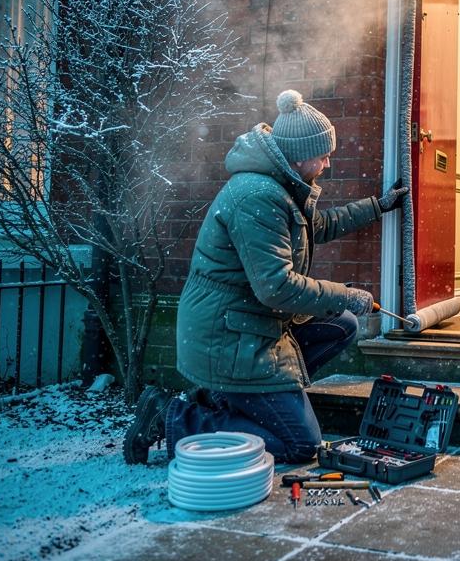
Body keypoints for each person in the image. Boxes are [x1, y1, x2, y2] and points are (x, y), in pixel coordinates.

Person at [123, 89, 408, 465]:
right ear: (301, 155)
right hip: (228, 336)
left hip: (249, 325)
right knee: (300, 445)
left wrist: (378, 207)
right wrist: (344, 293)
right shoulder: (258, 197)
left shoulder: (281, 188)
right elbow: (277, 287)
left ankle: (246, 396)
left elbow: (316, 226)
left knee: (343, 324)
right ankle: (174, 416)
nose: (327, 164)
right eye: (323, 156)